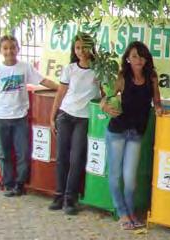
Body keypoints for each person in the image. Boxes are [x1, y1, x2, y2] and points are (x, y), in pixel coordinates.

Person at [0, 35, 58, 197]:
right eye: (5, 48)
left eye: (12, 47)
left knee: (23, 152)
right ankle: (8, 184)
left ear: (18, 49)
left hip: (20, 117)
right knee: (4, 153)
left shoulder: (25, 67)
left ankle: (20, 184)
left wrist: (61, 88)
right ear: (0, 50)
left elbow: (42, 80)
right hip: (0, 117)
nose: (9, 51)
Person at [101, 41, 163, 230]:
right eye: (134, 56)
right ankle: (122, 213)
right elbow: (107, 98)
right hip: (117, 131)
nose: (138, 60)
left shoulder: (151, 77)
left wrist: (159, 108)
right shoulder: (122, 77)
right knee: (115, 174)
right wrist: (104, 106)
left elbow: (157, 100)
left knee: (130, 177)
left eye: (142, 56)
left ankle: (131, 212)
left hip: (136, 133)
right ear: (128, 58)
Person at [48, 33, 101, 215]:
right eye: (77, 48)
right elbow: (61, 93)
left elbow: (105, 93)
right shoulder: (70, 69)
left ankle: (71, 198)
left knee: (77, 158)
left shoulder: (98, 70)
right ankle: (59, 194)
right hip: (66, 114)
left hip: (84, 118)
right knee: (62, 156)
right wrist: (52, 116)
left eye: (84, 47)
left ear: (91, 47)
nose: (81, 51)